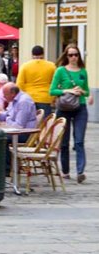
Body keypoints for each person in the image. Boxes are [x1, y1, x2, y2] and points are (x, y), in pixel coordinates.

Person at [50, 44, 92, 183]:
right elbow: (52, 90)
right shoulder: (60, 71)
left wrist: (84, 92)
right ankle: (66, 171)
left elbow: (86, 90)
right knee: (64, 142)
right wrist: (67, 91)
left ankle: (80, 172)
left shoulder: (83, 71)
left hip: (80, 107)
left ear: (79, 56)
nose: (73, 57)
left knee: (79, 141)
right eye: (70, 55)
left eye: (76, 55)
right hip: (64, 108)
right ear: (66, 56)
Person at [17, 45, 56, 117]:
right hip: (45, 98)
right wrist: (53, 98)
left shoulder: (25, 66)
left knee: (30, 122)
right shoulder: (51, 66)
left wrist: (21, 97)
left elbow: (20, 84)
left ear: (32, 55)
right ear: (43, 54)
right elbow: (55, 83)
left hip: (29, 97)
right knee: (44, 124)